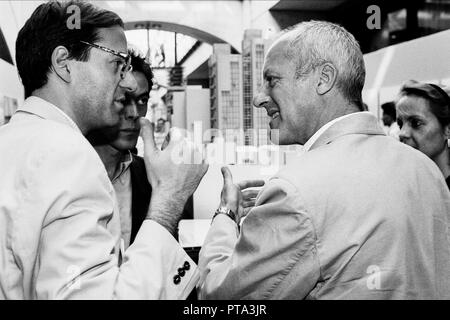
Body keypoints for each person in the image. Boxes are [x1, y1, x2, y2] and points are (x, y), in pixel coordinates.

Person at [197, 21, 450, 299]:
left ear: (323, 79)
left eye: (272, 80)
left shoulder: (296, 190)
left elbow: (220, 296)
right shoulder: (426, 170)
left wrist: (226, 214)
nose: (259, 98)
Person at [0, 1, 207, 299]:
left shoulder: (11, 141)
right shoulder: (69, 154)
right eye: (117, 63)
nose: (126, 82)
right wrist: (169, 200)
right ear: (64, 62)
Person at [87, 50, 193, 249]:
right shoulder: (70, 171)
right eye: (123, 100)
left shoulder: (151, 177)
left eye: (142, 101)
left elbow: (169, 258)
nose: (134, 113)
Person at [396, 80, 450, 189]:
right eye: (400, 124)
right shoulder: (404, 186)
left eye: (416, 123)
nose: (402, 133)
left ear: (447, 129)